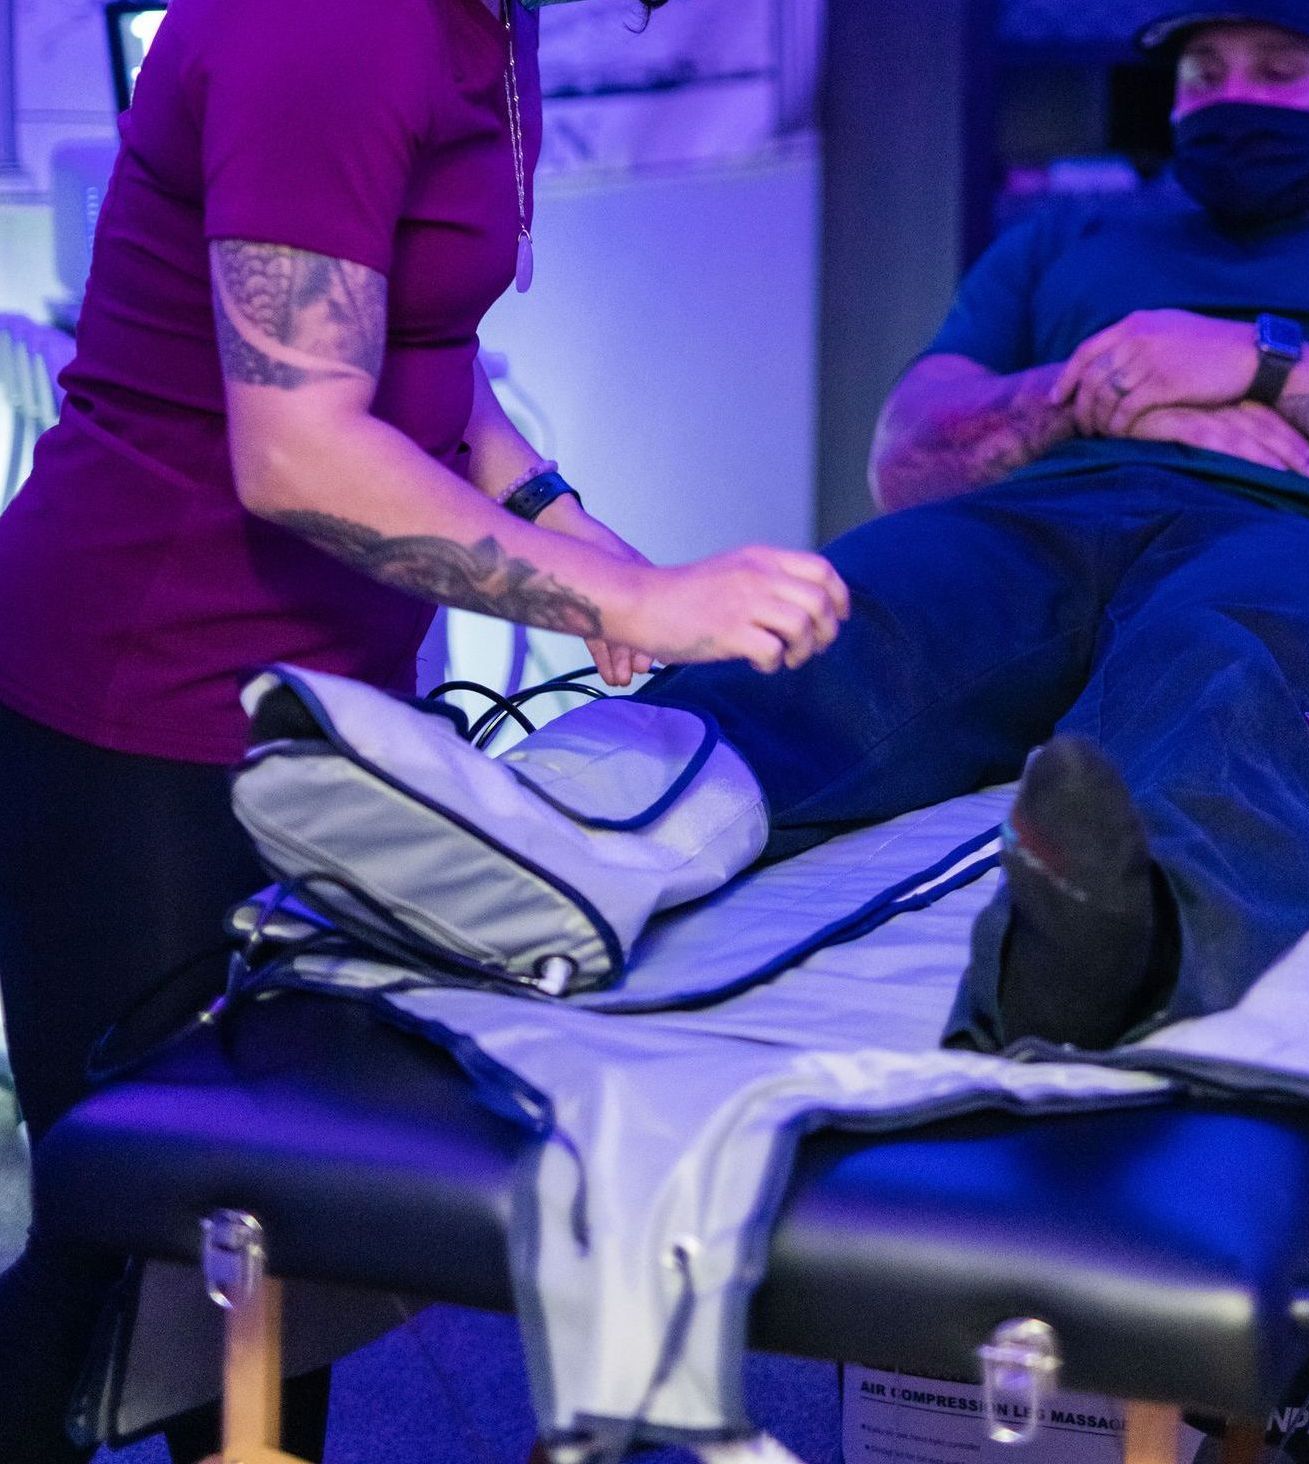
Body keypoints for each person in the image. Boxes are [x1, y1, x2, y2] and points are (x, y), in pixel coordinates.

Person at [0, 0, 848, 1457]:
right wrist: (641, 603)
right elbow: (301, 445)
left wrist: (585, 555)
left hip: (310, 702)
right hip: (141, 697)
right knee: (130, 1254)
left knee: (273, 1236)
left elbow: (422, 359)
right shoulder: (332, 23)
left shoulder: (479, 24)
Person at [639, 0, 1309, 1052]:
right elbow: (906, 457)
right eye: (1203, 75)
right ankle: (588, 817)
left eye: (1277, 72)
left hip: (1295, 527)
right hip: (1035, 513)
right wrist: (1115, 382)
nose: (1232, 98)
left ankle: (1102, 949)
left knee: (1233, 666)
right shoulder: (1061, 241)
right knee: (848, 622)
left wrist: (1265, 365)